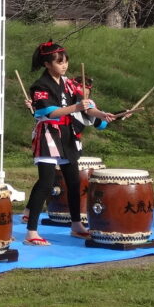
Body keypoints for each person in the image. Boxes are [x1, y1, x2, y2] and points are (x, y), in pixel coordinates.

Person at [23, 40, 116, 245]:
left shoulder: (70, 83)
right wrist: (76, 107)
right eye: (59, 62)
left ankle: (76, 225)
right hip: (48, 134)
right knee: (46, 183)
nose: (64, 65)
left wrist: (102, 114)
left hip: (68, 135)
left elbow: (86, 107)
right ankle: (31, 232)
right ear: (47, 64)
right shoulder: (39, 86)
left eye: (65, 61)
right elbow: (49, 112)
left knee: (74, 182)